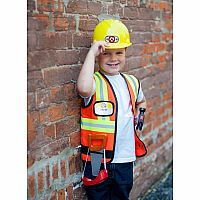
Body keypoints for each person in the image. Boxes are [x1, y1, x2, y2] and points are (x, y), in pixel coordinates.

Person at [77, 19, 147, 200]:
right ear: (99, 55)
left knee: (121, 195)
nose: (113, 58)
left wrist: (140, 116)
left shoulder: (133, 82)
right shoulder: (93, 82)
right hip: (96, 156)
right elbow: (82, 89)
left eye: (119, 53)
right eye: (106, 53)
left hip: (125, 156)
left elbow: (142, 102)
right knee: (97, 196)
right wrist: (91, 53)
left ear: (125, 53)